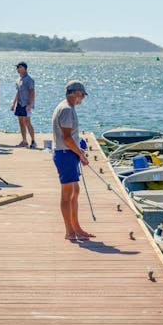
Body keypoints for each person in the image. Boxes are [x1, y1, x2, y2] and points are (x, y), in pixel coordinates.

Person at [52, 80, 94, 242]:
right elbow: (67, 138)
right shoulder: (67, 110)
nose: (82, 98)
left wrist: (78, 150)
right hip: (65, 154)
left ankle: (76, 228)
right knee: (67, 195)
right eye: (82, 95)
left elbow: (70, 139)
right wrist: (81, 155)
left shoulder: (68, 108)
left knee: (75, 192)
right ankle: (69, 231)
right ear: (76, 93)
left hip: (69, 153)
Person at [10, 61, 36, 148]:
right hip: (19, 104)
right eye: (17, 67)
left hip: (26, 104)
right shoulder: (18, 80)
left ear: (25, 68)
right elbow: (17, 92)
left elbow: (32, 92)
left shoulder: (29, 79)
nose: (18, 69)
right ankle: (24, 141)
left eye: (20, 67)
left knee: (27, 122)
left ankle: (33, 141)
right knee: (21, 122)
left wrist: (30, 104)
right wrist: (13, 103)